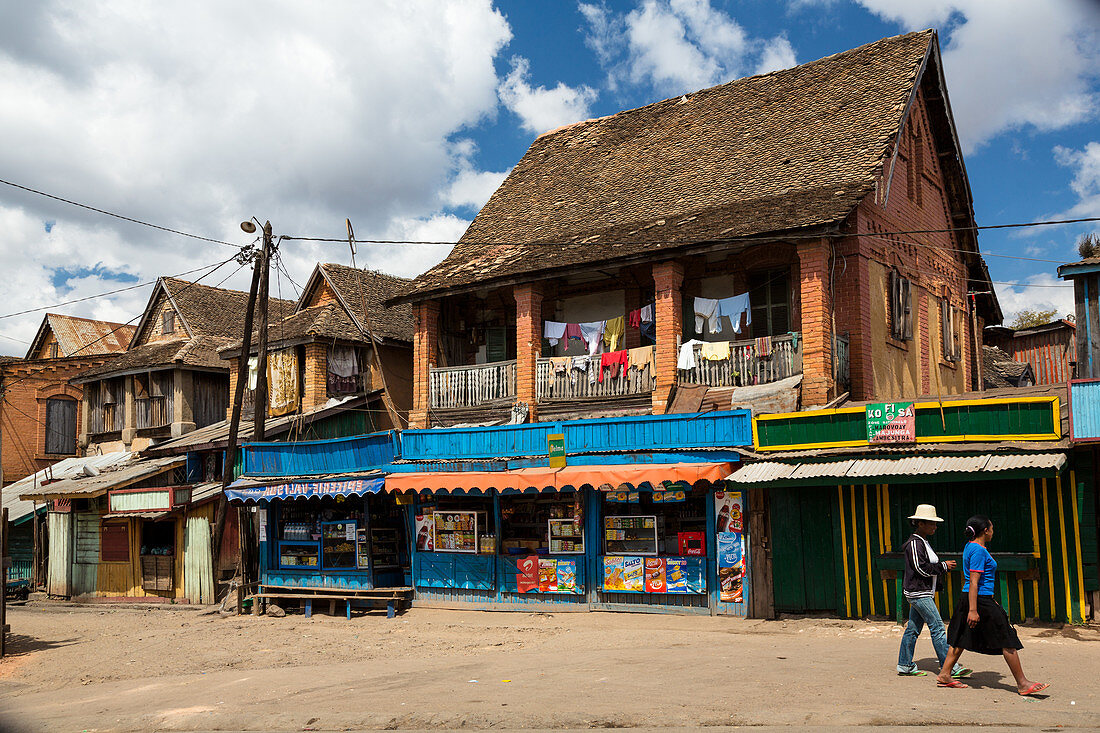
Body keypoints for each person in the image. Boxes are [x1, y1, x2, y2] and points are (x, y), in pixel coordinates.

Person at [935, 515, 1050, 695]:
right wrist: (973, 610)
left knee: (961, 635)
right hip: (978, 599)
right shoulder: (979, 550)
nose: (993, 532)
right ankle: (1022, 683)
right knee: (1007, 638)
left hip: (973, 597)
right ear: (985, 531)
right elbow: (974, 581)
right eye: (992, 528)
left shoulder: (969, 546)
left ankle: (945, 674)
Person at [896, 504, 971, 679]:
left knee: (913, 629)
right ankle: (950, 667)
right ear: (920, 524)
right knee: (937, 627)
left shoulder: (922, 542)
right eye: (932, 524)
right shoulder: (914, 543)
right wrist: (943, 566)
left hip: (923, 592)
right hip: (919, 593)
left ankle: (905, 664)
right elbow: (920, 568)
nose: (935, 527)